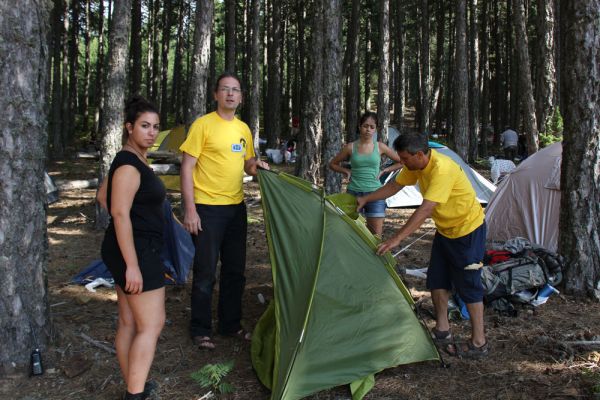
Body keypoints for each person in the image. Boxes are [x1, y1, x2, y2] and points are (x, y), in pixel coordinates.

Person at [357, 132, 489, 359]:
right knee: (437, 280)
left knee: (469, 286)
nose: (403, 163)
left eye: (405, 159)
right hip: (445, 231)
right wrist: (367, 199)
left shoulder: (442, 169)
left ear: (419, 154)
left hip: (468, 232)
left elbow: (425, 209)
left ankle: (479, 342)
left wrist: (396, 238)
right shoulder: (415, 165)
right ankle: (442, 329)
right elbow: (395, 186)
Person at [180, 72, 269, 350]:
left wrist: (258, 166)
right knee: (206, 271)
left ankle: (230, 324)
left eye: (235, 90)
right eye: (225, 89)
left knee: (235, 270)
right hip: (207, 209)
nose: (230, 94)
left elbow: (247, 164)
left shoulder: (243, 129)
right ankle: (201, 328)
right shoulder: (203, 125)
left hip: (235, 209)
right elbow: (186, 167)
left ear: (241, 97)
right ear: (216, 94)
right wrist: (190, 210)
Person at [100, 96, 165, 399]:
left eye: (155, 127)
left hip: (126, 247)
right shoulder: (128, 164)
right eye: (144, 126)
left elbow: (104, 195)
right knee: (151, 325)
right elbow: (118, 212)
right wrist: (133, 264)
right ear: (129, 127)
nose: (151, 132)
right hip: (136, 252)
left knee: (128, 322)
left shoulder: (131, 158)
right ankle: (135, 395)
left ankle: (133, 385)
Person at [328, 111, 403, 237]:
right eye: (365, 126)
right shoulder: (350, 147)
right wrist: (346, 171)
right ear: (359, 127)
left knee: (375, 236)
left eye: (372, 127)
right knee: (351, 233)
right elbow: (332, 164)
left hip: (376, 194)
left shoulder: (380, 147)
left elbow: (402, 162)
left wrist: (385, 170)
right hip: (353, 193)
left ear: (375, 130)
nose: (368, 129)